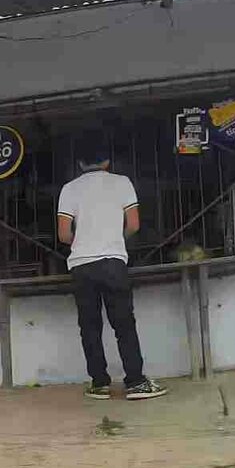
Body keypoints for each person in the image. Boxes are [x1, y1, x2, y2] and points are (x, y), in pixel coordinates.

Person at [57, 135, 168, 401]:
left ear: (80, 163)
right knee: (124, 324)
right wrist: (115, 240)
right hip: (112, 263)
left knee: (90, 326)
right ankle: (135, 383)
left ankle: (99, 384)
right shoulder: (122, 183)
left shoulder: (69, 189)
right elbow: (133, 225)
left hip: (81, 266)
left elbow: (63, 235)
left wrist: (83, 241)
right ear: (107, 161)